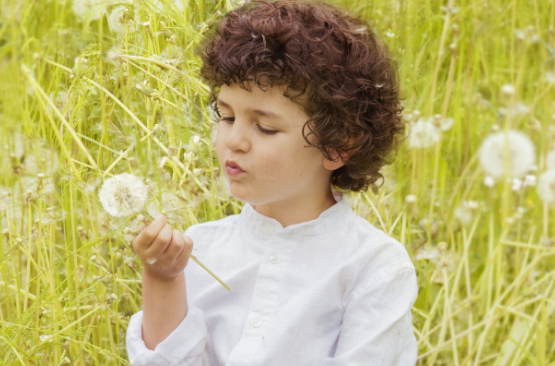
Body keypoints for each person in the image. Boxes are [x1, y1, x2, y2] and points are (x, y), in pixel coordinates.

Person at [126, 0, 419, 365]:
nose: (235, 141)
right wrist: (163, 278)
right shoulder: (200, 249)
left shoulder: (373, 268)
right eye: (227, 116)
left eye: (265, 127)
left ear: (338, 145)